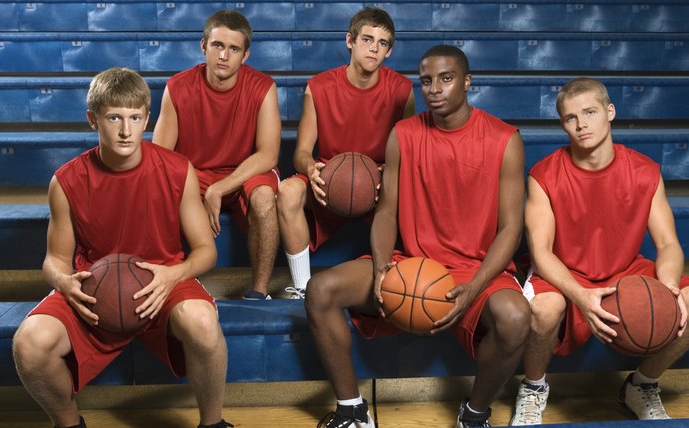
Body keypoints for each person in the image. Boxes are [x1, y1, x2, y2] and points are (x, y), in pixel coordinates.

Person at [306, 45, 529, 428]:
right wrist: (380, 267)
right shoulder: (404, 133)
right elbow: (387, 210)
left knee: (515, 317)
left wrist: (475, 287)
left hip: (471, 267)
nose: (435, 89)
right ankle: (352, 411)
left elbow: (511, 227)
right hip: (409, 263)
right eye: (426, 81)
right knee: (320, 290)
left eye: (446, 78)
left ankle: (474, 416)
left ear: (467, 81)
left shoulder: (504, 139)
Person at [12, 68, 231, 428]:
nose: (126, 130)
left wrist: (173, 274)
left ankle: (213, 423)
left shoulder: (178, 169)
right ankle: (69, 424)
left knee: (204, 322)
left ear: (147, 117)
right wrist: (65, 282)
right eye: (114, 117)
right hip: (95, 291)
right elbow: (55, 260)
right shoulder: (66, 181)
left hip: (163, 283)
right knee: (29, 343)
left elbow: (206, 251)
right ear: (92, 119)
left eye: (134, 117)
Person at [510, 77, 689, 425]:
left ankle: (642, 384)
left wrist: (669, 287)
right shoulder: (543, 175)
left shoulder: (645, 171)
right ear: (562, 124)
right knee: (545, 308)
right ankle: (533, 388)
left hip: (624, 269)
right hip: (566, 272)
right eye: (570, 118)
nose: (581, 124)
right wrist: (581, 296)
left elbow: (667, 244)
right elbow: (541, 253)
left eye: (590, 112)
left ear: (610, 112)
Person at [276, 6, 415, 299]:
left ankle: (402, 279)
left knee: (415, 191)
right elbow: (301, 152)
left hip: (378, 184)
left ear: (389, 51)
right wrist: (311, 169)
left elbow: (407, 154)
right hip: (331, 180)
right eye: (367, 39)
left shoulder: (402, 90)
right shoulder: (319, 86)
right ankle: (302, 285)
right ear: (349, 41)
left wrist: (388, 173)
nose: (374, 49)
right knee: (288, 190)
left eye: (383, 43)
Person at [153, 9, 281, 300]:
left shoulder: (263, 87)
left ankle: (259, 290)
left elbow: (268, 155)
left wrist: (219, 189)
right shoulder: (178, 87)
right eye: (217, 46)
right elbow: (160, 157)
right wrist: (192, 190)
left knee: (263, 196)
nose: (224, 55)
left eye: (233, 49)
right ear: (203, 47)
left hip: (244, 171)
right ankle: (172, 279)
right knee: (160, 189)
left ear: (245, 55)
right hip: (194, 173)